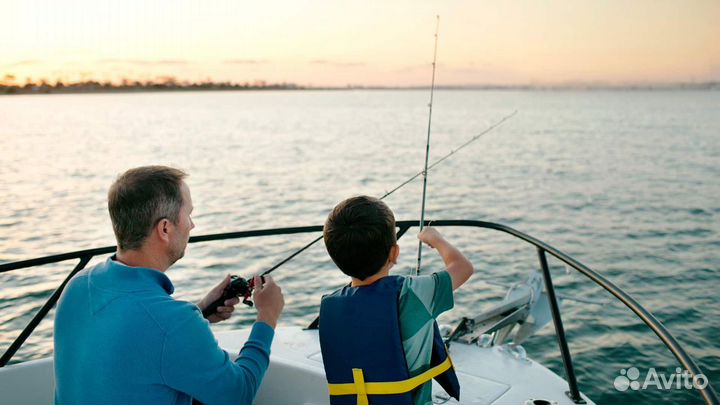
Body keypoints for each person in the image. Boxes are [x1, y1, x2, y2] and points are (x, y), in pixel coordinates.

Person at [54, 166, 284, 405]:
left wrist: (201, 311)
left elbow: (135, 340)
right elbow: (238, 394)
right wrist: (267, 316)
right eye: (189, 215)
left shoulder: (76, 286)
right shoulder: (173, 323)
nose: (192, 226)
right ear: (165, 228)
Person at [319, 196, 474, 405]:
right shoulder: (414, 293)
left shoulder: (331, 306)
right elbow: (463, 267)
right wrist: (435, 238)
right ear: (394, 253)